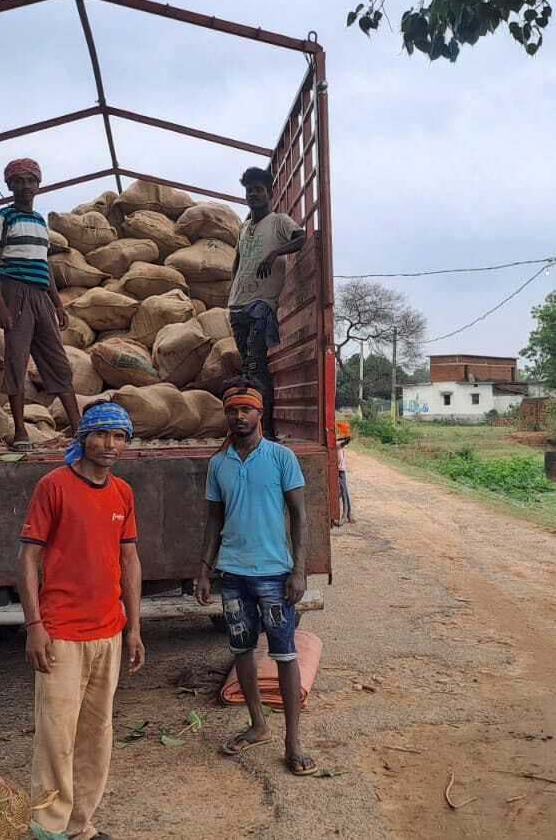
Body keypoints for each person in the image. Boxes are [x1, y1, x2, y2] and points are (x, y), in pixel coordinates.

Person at [18, 402, 146, 840]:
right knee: (56, 737)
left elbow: (129, 560)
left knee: (97, 734)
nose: (111, 445)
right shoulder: (53, 486)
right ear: (84, 438)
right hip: (61, 635)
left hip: (108, 631)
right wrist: (35, 626)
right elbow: (28, 558)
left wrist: (134, 627)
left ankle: (80, 827)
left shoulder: (122, 493)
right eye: (102, 435)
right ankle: (48, 829)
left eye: (120, 437)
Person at [194, 384, 316, 776]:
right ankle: (258, 725)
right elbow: (214, 520)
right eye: (233, 411)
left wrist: (299, 570)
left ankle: (293, 741)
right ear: (227, 416)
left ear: (260, 414)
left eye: (247, 410)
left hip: (275, 574)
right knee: (242, 651)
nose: (240, 417)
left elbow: (300, 517)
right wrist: (204, 570)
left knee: (284, 655)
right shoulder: (219, 464)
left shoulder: (282, 458)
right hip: (233, 575)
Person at [0, 158, 81, 450]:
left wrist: (58, 303)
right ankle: (20, 433)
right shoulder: (2, 217)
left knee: (58, 361)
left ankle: (79, 429)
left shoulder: (40, 222)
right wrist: (0, 303)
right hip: (15, 294)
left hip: (41, 296)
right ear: (10, 185)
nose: (26, 186)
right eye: (20, 181)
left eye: (31, 181)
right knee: (16, 360)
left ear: (39, 185)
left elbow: (45, 266)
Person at [229, 167, 305, 440]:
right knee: (248, 369)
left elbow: (301, 238)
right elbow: (237, 261)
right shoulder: (244, 227)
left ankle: (267, 431)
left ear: (269, 193)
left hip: (261, 305)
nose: (253, 194)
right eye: (249, 190)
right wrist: (232, 288)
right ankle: (252, 427)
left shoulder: (279, 221)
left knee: (257, 366)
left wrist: (275, 253)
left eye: (258, 189)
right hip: (237, 305)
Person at [336, 422, 354, 524]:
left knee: (343, 492)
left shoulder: (337, 443)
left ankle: (346, 514)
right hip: (338, 469)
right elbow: (345, 441)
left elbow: (344, 441)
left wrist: (346, 434)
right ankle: (347, 514)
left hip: (340, 470)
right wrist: (347, 436)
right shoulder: (337, 444)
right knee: (343, 492)